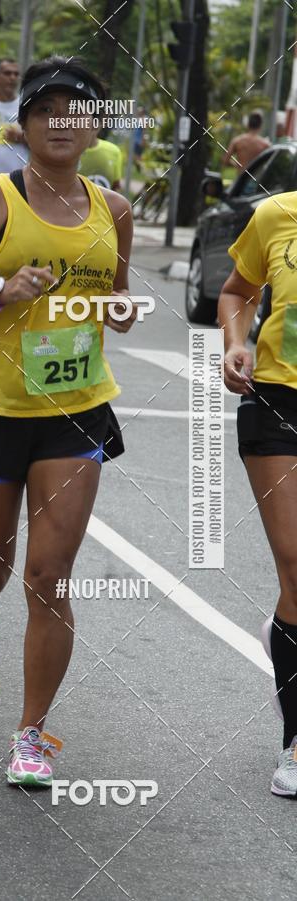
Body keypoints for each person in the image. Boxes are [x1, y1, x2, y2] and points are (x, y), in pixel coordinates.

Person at [0, 56, 138, 788]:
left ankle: (32, 734)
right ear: (26, 122)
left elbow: (120, 291)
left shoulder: (115, 209)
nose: (61, 123)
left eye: (76, 110)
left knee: (48, 576)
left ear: (93, 126)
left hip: (75, 410)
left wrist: (122, 308)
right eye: (47, 110)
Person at [219, 192, 297, 797]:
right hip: (279, 400)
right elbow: (237, 292)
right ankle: (296, 741)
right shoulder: (277, 215)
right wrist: (235, 341)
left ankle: (286, 631)